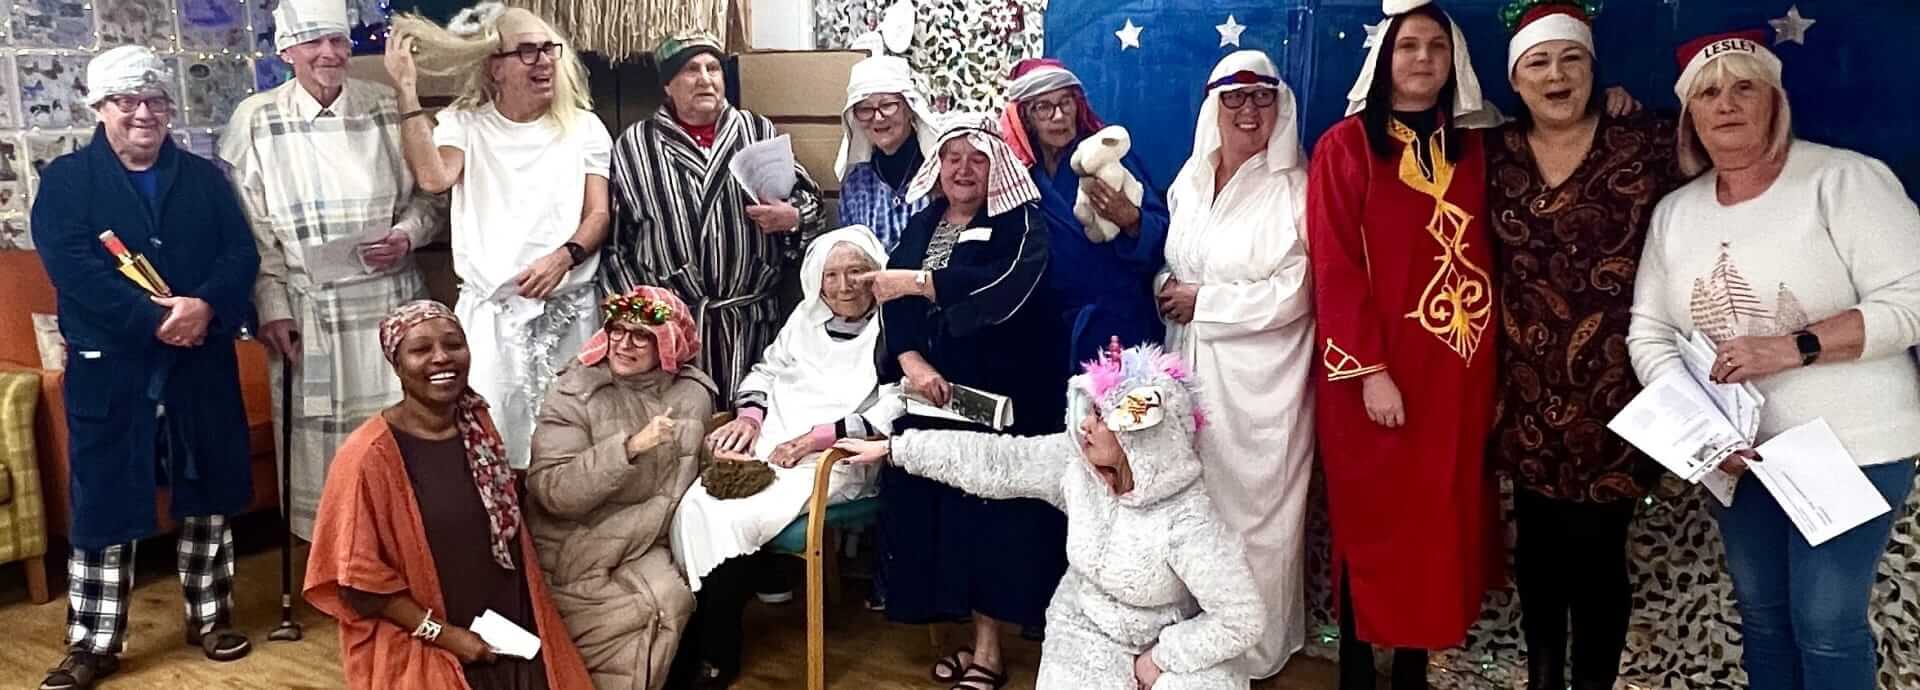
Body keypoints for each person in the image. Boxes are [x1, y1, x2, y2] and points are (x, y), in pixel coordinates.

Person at [1626, 30, 1920, 690]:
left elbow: (1914, 296)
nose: (1725, 104)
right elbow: (1649, 332)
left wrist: (1797, 346)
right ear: (1689, 116)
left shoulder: (1843, 180)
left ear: (1775, 100)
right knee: (1761, 618)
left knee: (1825, 622)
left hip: (1852, 450)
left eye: (1744, 86)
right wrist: (1702, 433)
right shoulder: (1676, 214)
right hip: (1739, 458)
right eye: (1708, 92)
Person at [834, 341, 1265, 690]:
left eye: (1101, 417)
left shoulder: (1188, 518)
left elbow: (1241, 618)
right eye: (1088, 412)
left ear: (1142, 432)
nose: (1086, 427)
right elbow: (998, 461)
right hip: (1086, 628)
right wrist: (896, 449)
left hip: (1170, 634)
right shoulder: (1073, 466)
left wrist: (1162, 658)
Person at [30, 46, 261, 690]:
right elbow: (73, 269)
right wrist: (155, 319)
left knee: (207, 489)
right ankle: (94, 642)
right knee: (103, 497)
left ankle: (210, 618)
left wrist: (206, 305)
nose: (142, 113)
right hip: (113, 368)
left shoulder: (204, 177)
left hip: (200, 361)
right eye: (126, 101)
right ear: (99, 108)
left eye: (154, 100)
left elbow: (239, 254)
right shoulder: (68, 182)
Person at [1484, 5, 1691, 689]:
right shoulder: (1495, 153)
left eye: (1571, 59)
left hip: (1620, 394)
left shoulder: (1644, 139)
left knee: (1600, 555)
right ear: (1515, 79)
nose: (1556, 75)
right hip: (1527, 396)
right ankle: (1543, 681)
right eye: (1538, 62)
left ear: (1594, 70)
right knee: (1538, 554)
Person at [1307, 2, 1501, 688]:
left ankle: (1414, 665)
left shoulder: (1478, 144)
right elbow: (1334, 265)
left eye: (1437, 48)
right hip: (1374, 373)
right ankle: (1358, 667)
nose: (1423, 59)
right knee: (1375, 521)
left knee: (1436, 521)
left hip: (1458, 374)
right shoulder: (1345, 147)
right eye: (1408, 46)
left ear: (1455, 62)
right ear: (1384, 60)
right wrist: (1369, 371)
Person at [220, 0, 443, 539]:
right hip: (308, 309)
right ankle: (334, 559)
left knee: (399, 427)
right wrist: (272, 309)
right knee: (318, 440)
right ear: (286, 49)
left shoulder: (389, 108)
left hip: (389, 303)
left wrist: (405, 235)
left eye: (337, 42)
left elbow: (432, 199)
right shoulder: (256, 121)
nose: (328, 54)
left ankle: (406, 547)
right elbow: (253, 233)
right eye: (313, 42)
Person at [305, 300, 594, 690]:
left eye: (453, 344)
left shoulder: (477, 425)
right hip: (430, 645)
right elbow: (358, 584)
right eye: (421, 349)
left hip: (510, 633)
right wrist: (444, 635)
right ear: (396, 363)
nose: (442, 358)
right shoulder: (368, 456)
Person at [861, 114, 1056, 690]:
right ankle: (957, 637)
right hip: (929, 395)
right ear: (937, 167)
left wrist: (922, 284)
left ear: (997, 166)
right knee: (935, 520)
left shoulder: (1022, 225)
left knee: (986, 521)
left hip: (1000, 400)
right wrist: (913, 362)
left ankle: (990, 652)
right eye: (952, 159)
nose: (964, 170)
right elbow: (888, 298)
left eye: (977, 159)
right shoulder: (923, 223)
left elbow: (1006, 290)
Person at [385, 1, 614, 467]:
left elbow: (598, 215)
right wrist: (407, 91)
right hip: (494, 321)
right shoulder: (466, 124)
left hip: (569, 313)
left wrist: (564, 256)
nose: (545, 61)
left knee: (571, 447)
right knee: (496, 450)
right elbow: (433, 178)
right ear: (495, 66)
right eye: (528, 52)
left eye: (549, 49)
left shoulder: (584, 127)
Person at [677, 225, 902, 686]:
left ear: (876, 273)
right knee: (695, 505)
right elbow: (765, 371)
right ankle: (698, 635)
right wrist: (749, 420)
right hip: (771, 443)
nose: (843, 286)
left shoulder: (896, 327)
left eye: (856, 271)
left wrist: (816, 439)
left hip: (840, 458)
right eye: (831, 274)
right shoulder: (804, 318)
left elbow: (894, 409)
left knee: (735, 517)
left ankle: (719, 651)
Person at [1155, 49, 1313, 680]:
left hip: (1263, 383)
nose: (1249, 110)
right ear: (1213, 107)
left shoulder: (1296, 188)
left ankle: (1255, 651)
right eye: (1235, 98)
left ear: (1281, 105)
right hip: (1189, 369)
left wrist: (1207, 301)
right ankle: (1197, 641)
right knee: (1195, 509)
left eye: (1262, 97)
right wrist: (1168, 286)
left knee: (1259, 518)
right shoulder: (1188, 181)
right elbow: (1176, 262)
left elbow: (1299, 289)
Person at [599, 31, 828, 402]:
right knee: (678, 435)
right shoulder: (634, 147)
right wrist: (644, 316)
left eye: (713, 68)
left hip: (750, 324)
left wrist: (792, 217)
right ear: (668, 86)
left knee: (748, 431)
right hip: (671, 329)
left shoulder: (756, 131)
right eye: (691, 70)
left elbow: (810, 201)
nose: (705, 78)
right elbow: (615, 247)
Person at [525, 287, 715, 690]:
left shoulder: (692, 394)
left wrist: (721, 456)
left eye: (641, 335)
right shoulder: (575, 392)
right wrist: (628, 449)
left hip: (644, 540)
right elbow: (552, 491)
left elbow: (687, 468)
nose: (624, 344)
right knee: (628, 615)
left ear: (669, 343)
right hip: (576, 545)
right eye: (617, 330)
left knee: (674, 602)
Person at [1000, 58, 1168, 382]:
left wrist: (1131, 219)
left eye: (1066, 103)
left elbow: (1163, 232)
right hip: (1045, 332)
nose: (1059, 116)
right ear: (1026, 117)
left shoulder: (1107, 155)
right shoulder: (1018, 175)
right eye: (1043, 108)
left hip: (1118, 326)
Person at [836, 56, 940, 250]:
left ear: (910, 108)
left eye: (887, 105)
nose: (877, 117)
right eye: (865, 109)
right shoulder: (854, 187)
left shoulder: (939, 176)